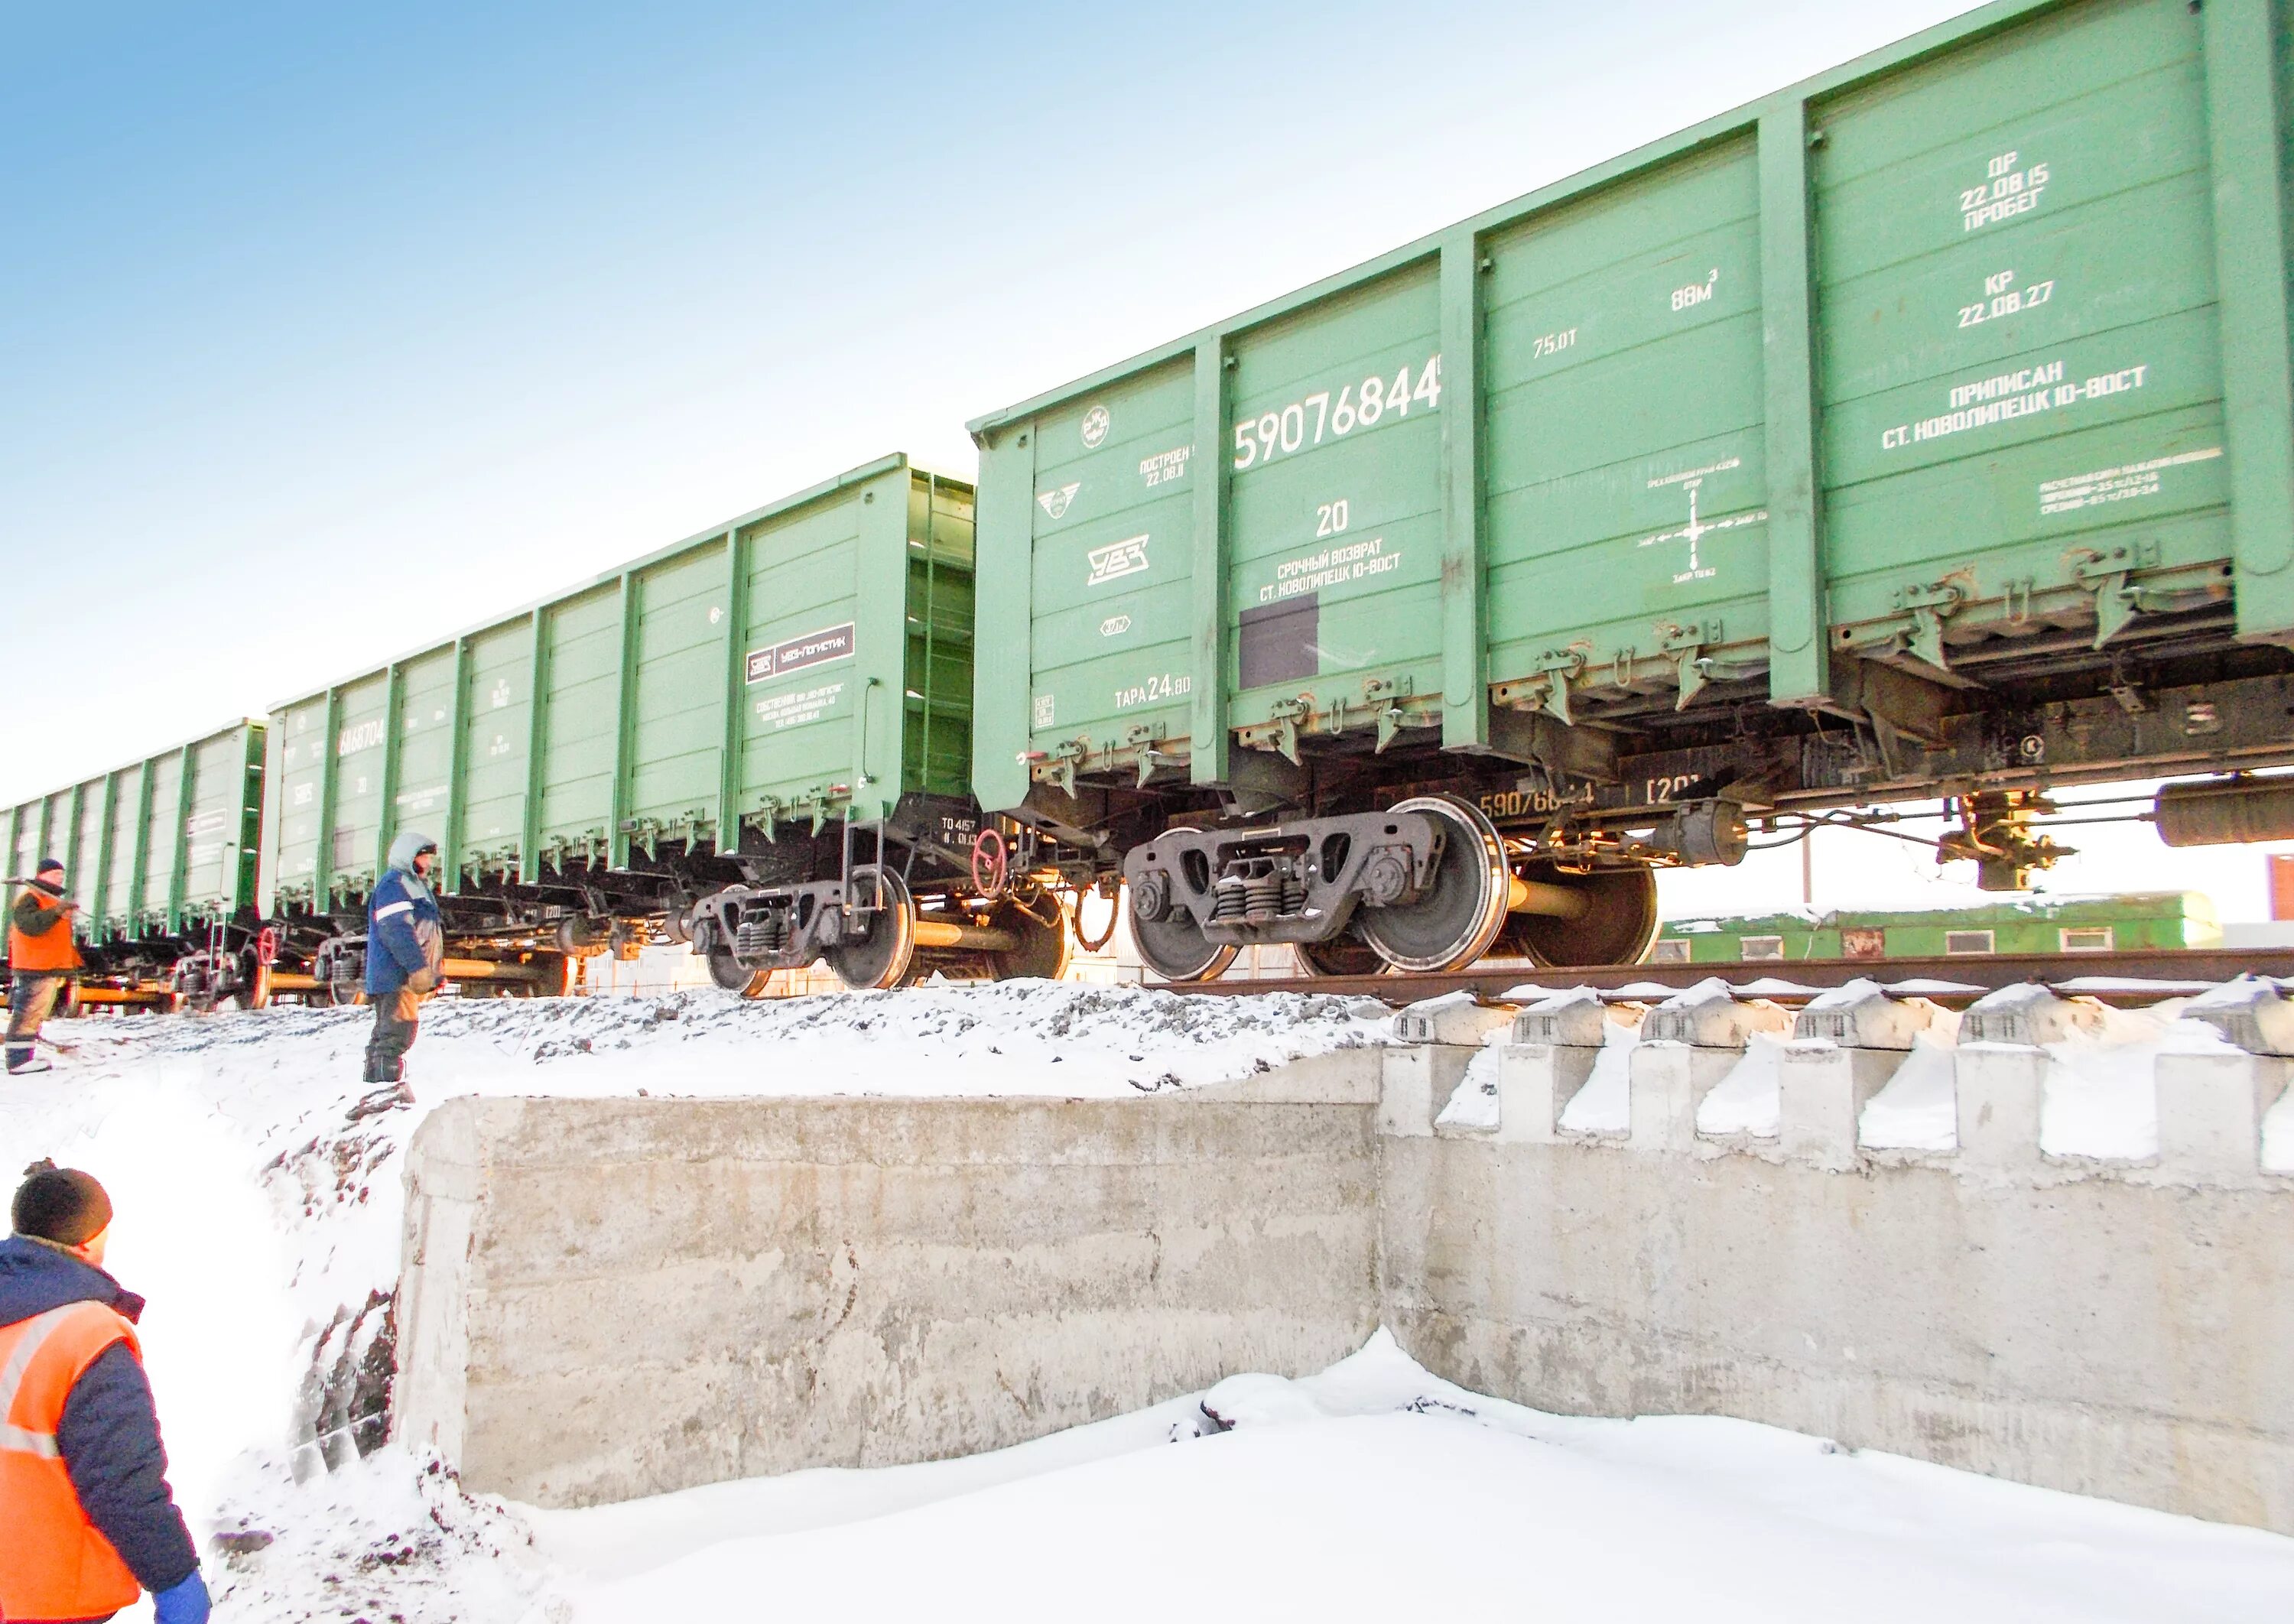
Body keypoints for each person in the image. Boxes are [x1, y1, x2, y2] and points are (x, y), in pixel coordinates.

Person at [0, 1161, 209, 1624]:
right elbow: (121, 1482)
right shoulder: (87, 1337)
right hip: (45, 1597)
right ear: (90, 1241)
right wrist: (175, 1578)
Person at [363, 830, 445, 1100]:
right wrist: (417, 968)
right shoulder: (395, 885)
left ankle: (375, 1088)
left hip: (402, 974)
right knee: (398, 1031)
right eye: (424, 856)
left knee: (388, 1032)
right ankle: (385, 1092)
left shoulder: (412, 885)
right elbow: (396, 930)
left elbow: (425, 932)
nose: (429, 862)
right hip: (397, 975)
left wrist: (434, 972)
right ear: (410, 856)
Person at [8, 858, 83, 1076]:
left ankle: (23, 1058)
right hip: (34, 966)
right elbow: (30, 926)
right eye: (55, 874)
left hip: (45, 966)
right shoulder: (31, 898)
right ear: (42, 875)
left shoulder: (48, 899)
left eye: (61, 874)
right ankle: (18, 1062)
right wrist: (57, 912)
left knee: (33, 1014)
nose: (60, 877)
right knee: (27, 1014)